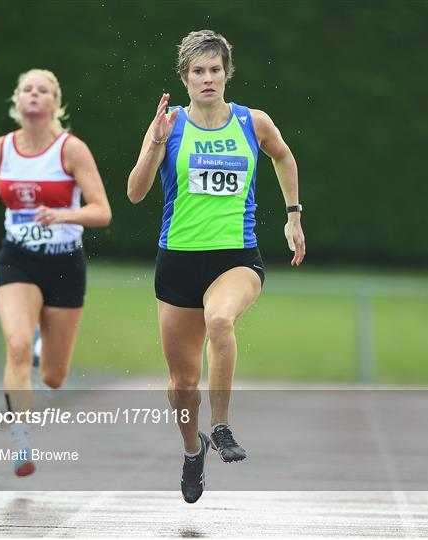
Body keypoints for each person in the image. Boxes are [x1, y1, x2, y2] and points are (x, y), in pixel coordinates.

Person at [127, 30, 305, 503]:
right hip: (179, 262)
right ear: (185, 78)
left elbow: (284, 156)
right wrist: (153, 147)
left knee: (221, 319)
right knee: (182, 386)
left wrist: (293, 215)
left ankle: (222, 426)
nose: (208, 78)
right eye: (198, 71)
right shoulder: (168, 123)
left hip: (236, 258)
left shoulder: (253, 122)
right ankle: (193, 449)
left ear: (227, 74)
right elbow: (135, 192)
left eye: (215, 69)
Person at [0, 69, 111, 476]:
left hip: (64, 263)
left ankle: (44, 344)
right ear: (17, 101)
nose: (35, 96)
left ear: (56, 104)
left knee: (55, 377)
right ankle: (20, 439)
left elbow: (102, 211)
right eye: (28, 89)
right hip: (17, 259)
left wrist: (62, 213)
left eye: (44, 91)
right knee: (17, 346)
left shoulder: (71, 151)